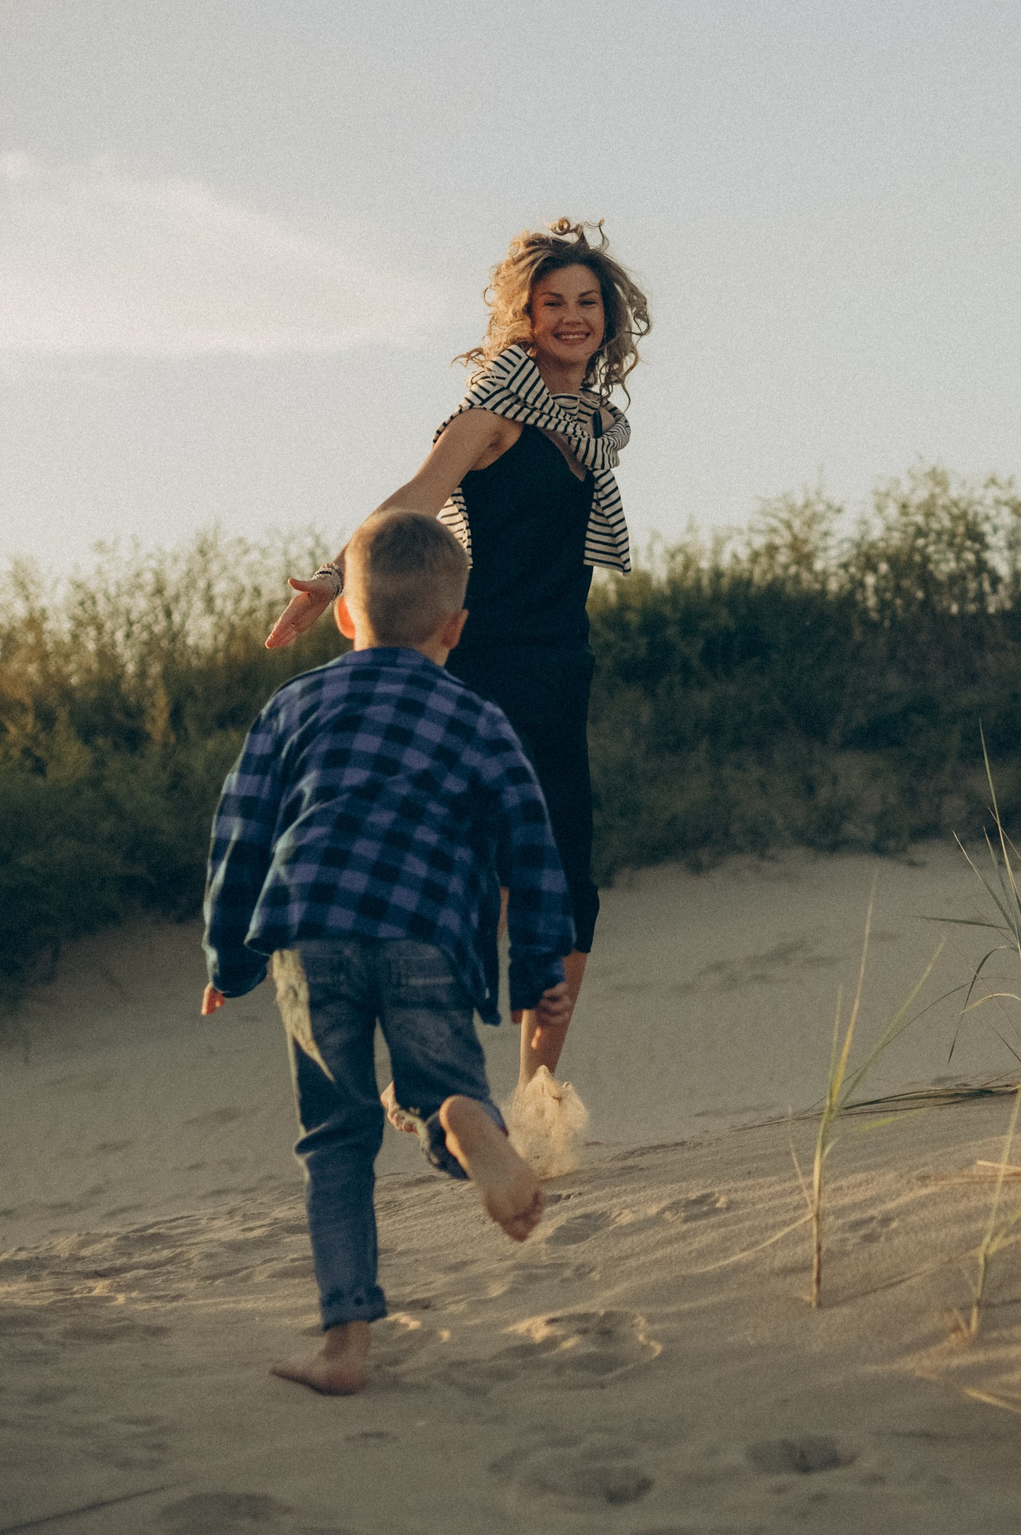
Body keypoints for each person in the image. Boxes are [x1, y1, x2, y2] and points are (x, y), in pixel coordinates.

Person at [205, 509, 576, 1395]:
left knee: (335, 1139)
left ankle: (345, 1346)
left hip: (311, 928)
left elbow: (240, 831)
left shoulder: (292, 704)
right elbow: (533, 846)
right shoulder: (479, 718)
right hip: (426, 930)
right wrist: (538, 975)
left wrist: (228, 959)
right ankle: (462, 1118)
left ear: (344, 615)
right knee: (443, 1085)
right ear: (454, 627)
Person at [267, 218, 647, 1083]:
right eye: (553, 303)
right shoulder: (495, 413)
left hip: (559, 668)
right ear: (526, 317)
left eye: (587, 302)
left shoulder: (591, 428)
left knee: (566, 888)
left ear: (609, 320)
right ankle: (423, 1059)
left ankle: (539, 1092)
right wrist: (336, 576)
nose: (572, 316)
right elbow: (415, 497)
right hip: (481, 664)